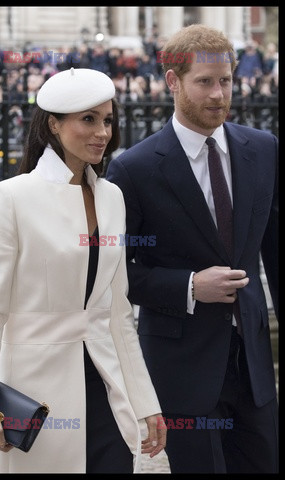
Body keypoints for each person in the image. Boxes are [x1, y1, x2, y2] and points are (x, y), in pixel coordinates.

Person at [0, 67, 166, 474]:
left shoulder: (112, 198)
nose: (102, 132)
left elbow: (118, 313)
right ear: (53, 125)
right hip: (34, 399)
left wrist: (146, 402)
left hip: (106, 389)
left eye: (107, 120)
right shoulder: (11, 198)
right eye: (87, 119)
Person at [106, 24, 278, 474]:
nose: (219, 94)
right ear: (172, 81)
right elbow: (115, 273)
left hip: (254, 362)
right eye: (205, 82)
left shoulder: (263, 149)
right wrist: (188, 286)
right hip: (181, 366)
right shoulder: (133, 169)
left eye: (226, 80)